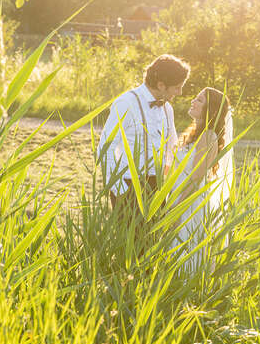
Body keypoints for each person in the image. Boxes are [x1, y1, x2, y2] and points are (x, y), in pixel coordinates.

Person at [98, 54, 190, 211]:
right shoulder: (126, 103)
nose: (180, 92)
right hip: (128, 185)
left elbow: (172, 147)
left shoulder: (167, 108)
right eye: (177, 87)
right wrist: (120, 190)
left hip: (158, 188)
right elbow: (105, 147)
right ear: (161, 85)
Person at [166, 86, 234, 272]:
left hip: (189, 202)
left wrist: (177, 209)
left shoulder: (208, 136)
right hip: (179, 196)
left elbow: (196, 179)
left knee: (184, 256)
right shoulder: (194, 133)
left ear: (210, 109)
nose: (193, 102)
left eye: (199, 100)